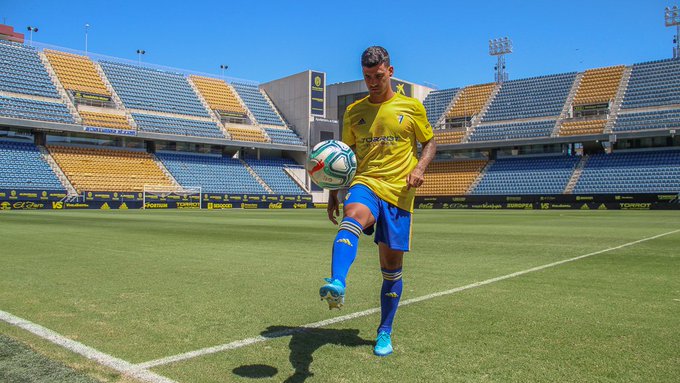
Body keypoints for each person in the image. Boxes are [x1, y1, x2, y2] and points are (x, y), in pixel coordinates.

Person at [319, 46, 436, 357]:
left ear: (391, 72)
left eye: (378, 75)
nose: (372, 81)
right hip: (366, 183)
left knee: (391, 268)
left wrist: (419, 168)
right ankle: (337, 282)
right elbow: (344, 158)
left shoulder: (411, 107)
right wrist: (334, 193)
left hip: (399, 194)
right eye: (367, 76)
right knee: (353, 216)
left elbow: (430, 143)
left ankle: (385, 330)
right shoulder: (354, 111)